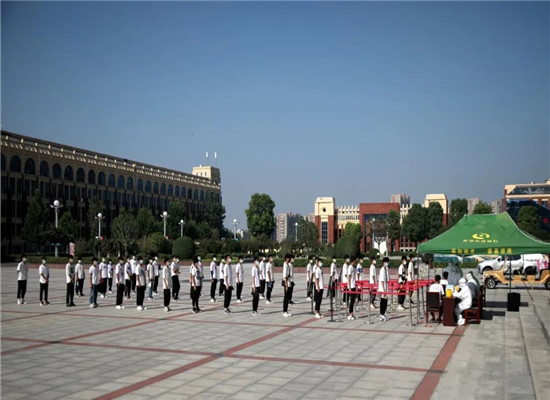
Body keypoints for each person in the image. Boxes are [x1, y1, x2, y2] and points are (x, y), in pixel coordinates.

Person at [378, 257, 390, 321]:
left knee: (385, 301)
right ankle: (381, 314)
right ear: (384, 262)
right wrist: (384, 290)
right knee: (383, 301)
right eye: (387, 262)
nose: (387, 263)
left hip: (385, 287)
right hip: (383, 288)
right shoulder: (382, 270)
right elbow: (382, 281)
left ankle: (383, 314)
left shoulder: (386, 269)